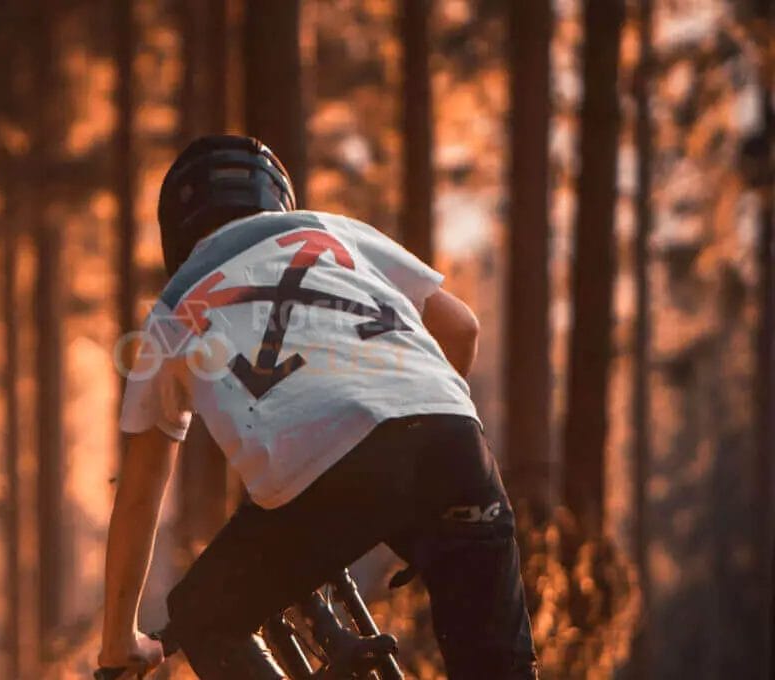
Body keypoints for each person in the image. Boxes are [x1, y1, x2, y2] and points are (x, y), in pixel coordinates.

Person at [97, 134, 538, 679]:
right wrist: (411, 441)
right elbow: (461, 327)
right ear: (278, 198)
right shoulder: (333, 231)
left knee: (204, 616)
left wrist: (119, 640)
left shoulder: (172, 309)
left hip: (316, 472)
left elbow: (139, 496)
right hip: (455, 442)